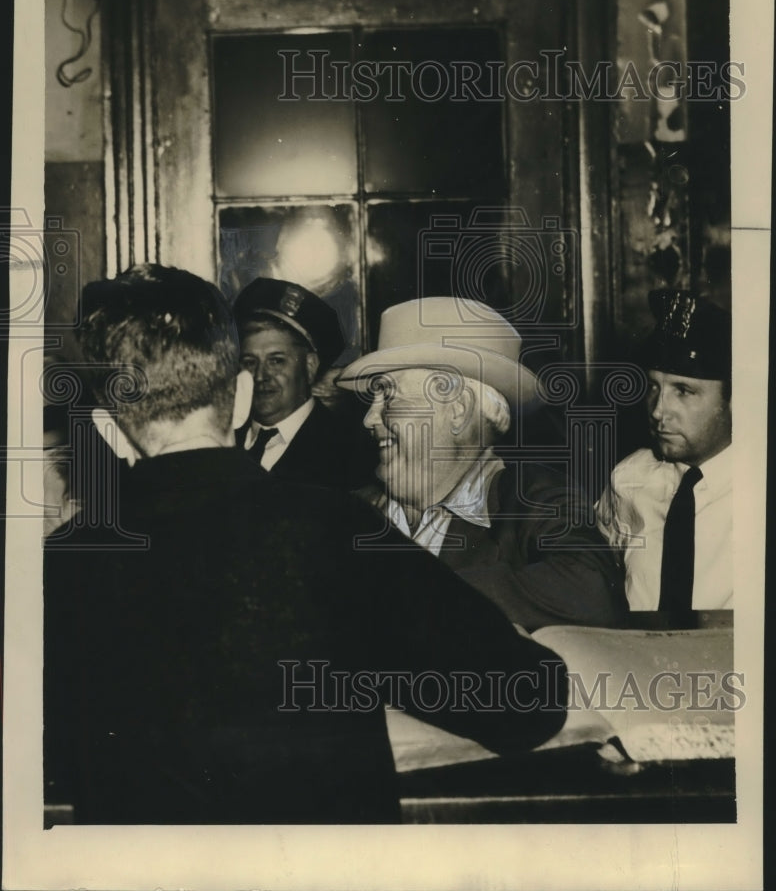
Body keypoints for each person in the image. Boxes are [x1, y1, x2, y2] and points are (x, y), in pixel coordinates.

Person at [43, 264, 568, 825]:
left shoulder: (61, 562)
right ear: (241, 396)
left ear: (108, 424)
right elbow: (527, 701)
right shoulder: (334, 528)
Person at [336, 297, 627, 631]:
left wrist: (415, 591)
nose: (369, 418)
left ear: (457, 410)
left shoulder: (536, 500)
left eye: (388, 395)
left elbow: (594, 592)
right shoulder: (347, 511)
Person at [595, 290, 732, 611]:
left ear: (732, 401)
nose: (658, 411)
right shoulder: (629, 478)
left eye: (683, 391)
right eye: (654, 387)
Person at [232, 276, 376, 489]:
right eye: (250, 362)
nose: (261, 375)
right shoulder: (222, 441)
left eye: (276, 361)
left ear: (310, 366)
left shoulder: (349, 453)